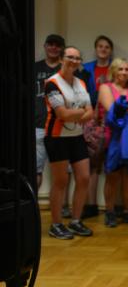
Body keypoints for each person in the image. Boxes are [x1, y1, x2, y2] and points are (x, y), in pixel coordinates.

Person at [43, 46, 94, 239]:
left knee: (84, 178)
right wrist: (81, 112)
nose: (74, 61)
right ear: (62, 59)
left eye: (77, 58)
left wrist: (78, 113)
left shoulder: (81, 82)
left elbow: (91, 112)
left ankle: (75, 221)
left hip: (77, 136)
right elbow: (62, 114)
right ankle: (56, 224)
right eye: (70, 57)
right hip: (56, 138)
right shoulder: (52, 83)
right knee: (61, 181)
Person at [97, 58, 128, 227]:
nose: (124, 72)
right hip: (113, 137)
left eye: (127, 69)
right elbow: (113, 110)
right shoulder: (105, 87)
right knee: (112, 176)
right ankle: (110, 212)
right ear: (114, 71)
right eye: (121, 69)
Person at [81, 35, 115, 219]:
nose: (103, 49)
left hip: (111, 119)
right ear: (95, 49)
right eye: (100, 46)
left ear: (110, 50)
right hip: (90, 120)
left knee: (112, 165)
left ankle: (111, 208)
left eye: (106, 47)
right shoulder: (86, 68)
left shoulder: (116, 68)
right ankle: (91, 205)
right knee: (92, 165)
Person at [35, 34, 64, 191]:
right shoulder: (34, 68)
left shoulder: (66, 69)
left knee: (62, 172)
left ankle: (62, 204)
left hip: (61, 126)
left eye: (57, 45)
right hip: (38, 125)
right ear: (45, 46)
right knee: (36, 170)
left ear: (62, 49)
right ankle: (34, 202)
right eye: (50, 44)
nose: (53, 47)